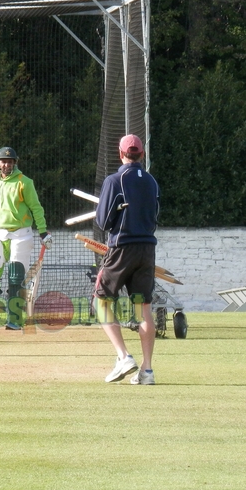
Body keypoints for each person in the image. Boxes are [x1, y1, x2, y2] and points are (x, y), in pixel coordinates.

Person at [94, 134, 160, 385]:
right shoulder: (152, 181)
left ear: (120, 154)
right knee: (143, 309)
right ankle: (147, 371)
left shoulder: (114, 180)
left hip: (122, 248)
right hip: (147, 249)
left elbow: (102, 221)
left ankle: (123, 357)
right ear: (141, 155)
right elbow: (155, 214)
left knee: (101, 303)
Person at [0, 146, 52, 330]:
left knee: (16, 276)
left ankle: (15, 319)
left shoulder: (24, 182)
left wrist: (43, 232)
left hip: (20, 234)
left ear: (14, 163)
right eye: (3, 161)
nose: (6, 164)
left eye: (9, 161)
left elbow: (36, 208)